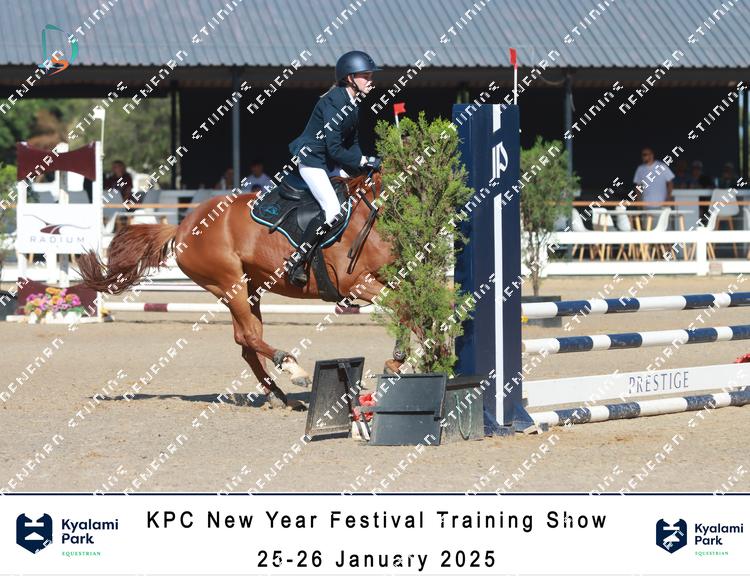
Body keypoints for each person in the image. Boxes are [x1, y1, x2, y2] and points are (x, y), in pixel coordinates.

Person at [285, 50, 382, 287]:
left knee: (358, 194)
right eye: (366, 76)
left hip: (328, 161)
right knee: (332, 210)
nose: (370, 80)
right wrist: (364, 161)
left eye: (370, 76)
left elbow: (353, 143)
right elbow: (335, 149)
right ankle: (297, 260)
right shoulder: (333, 102)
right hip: (312, 161)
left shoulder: (353, 102)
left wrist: (363, 167)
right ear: (350, 78)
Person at [633, 147, 675, 218]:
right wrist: (639, 201)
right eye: (642, 155)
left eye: (645, 154)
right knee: (646, 225)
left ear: (651, 155)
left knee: (663, 224)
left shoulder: (662, 166)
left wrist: (668, 199)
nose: (643, 157)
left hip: (662, 205)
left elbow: (670, 183)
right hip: (646, 206)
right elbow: (638, 186)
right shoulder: (640, 169)